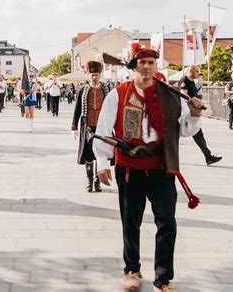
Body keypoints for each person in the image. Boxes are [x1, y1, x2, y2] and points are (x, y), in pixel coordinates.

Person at [94, 43, 203, 292]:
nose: (146, 67)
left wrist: (195, 114)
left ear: (156, 67)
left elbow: (186, 130)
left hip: (161, 166)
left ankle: (163, 279)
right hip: (129, 167)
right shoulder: (118, 94)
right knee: (130, 222)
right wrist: (102, 163)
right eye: (142, 62)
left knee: (167, 223)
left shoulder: (171, 95)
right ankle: (131, 270)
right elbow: (103, 131)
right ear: (134, 67)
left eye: (151, 63)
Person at [71, 61, 109, 192]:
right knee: (88, 154)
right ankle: (89, 181)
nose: (94, 77)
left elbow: (112, 108)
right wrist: (73, 126)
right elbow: (77, 109)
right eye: (92, 75)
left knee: (100, 155)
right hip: (87, 126)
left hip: (102, 127)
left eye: (96, 74)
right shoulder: (83, 90)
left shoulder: (106, 89)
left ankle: (97, 182)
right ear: (88, 75)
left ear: (100, 75)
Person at [179, 65, 222, 165]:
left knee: (197, 133)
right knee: (178, 134)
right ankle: (208, 157)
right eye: (197, 71)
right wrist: (193, 101)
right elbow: (183, 93)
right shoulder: (184, 80)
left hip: (192, 113)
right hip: (186, 112)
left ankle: (208, 156)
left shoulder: (192, 81)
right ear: (191, 71)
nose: (199, 73)